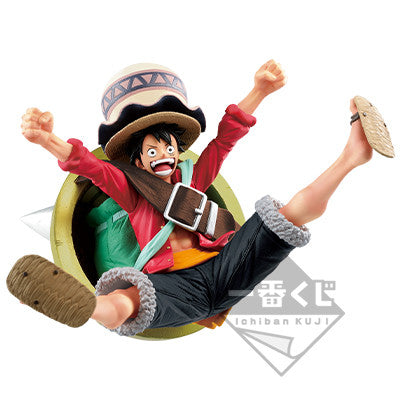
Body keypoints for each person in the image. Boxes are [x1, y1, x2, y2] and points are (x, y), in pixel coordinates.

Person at [11, 60, 379, 336]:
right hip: (174, 285)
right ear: (137, 161)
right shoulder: (133, 192)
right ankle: (82, 306)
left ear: (178, 151)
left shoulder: (194, 180)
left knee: (284, 218)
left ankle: (351, 158)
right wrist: (47, 140)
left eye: (168, 148)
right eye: (152, 151)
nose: (163, 156)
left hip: (225, 268)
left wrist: (259, 91)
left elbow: (224, 141)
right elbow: (92, 167)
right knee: (128, 302)